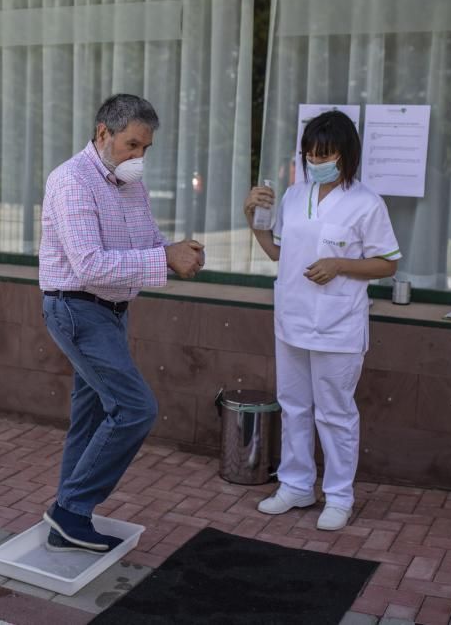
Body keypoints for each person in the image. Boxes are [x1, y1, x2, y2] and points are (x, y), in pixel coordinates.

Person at [39, 94, 205, 553]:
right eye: (132, 145)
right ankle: (70, 510)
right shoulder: (71, 181)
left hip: (109, 312)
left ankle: (68, 521)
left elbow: (147, 241)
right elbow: (89, 265)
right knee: (135, 409)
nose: (139, 157)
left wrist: (176, 251)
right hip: (77, 308)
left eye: (146, 149)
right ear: (102, 134)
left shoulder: (130, 185)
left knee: (90, 417)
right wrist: (163, 258)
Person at [244, 111, 401, 531]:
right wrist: (253, 222)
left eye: (326, 154)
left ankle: (339, 495)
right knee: (294, 406)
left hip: (338, 324)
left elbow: (387, 264)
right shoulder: (295, 196)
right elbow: (278, 253)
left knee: (334, 412)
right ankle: (296, 485)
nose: (318, 161)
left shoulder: (366, 202)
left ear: (347, 155)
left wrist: (340, 265)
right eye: (311, 154)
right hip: (292, 318)